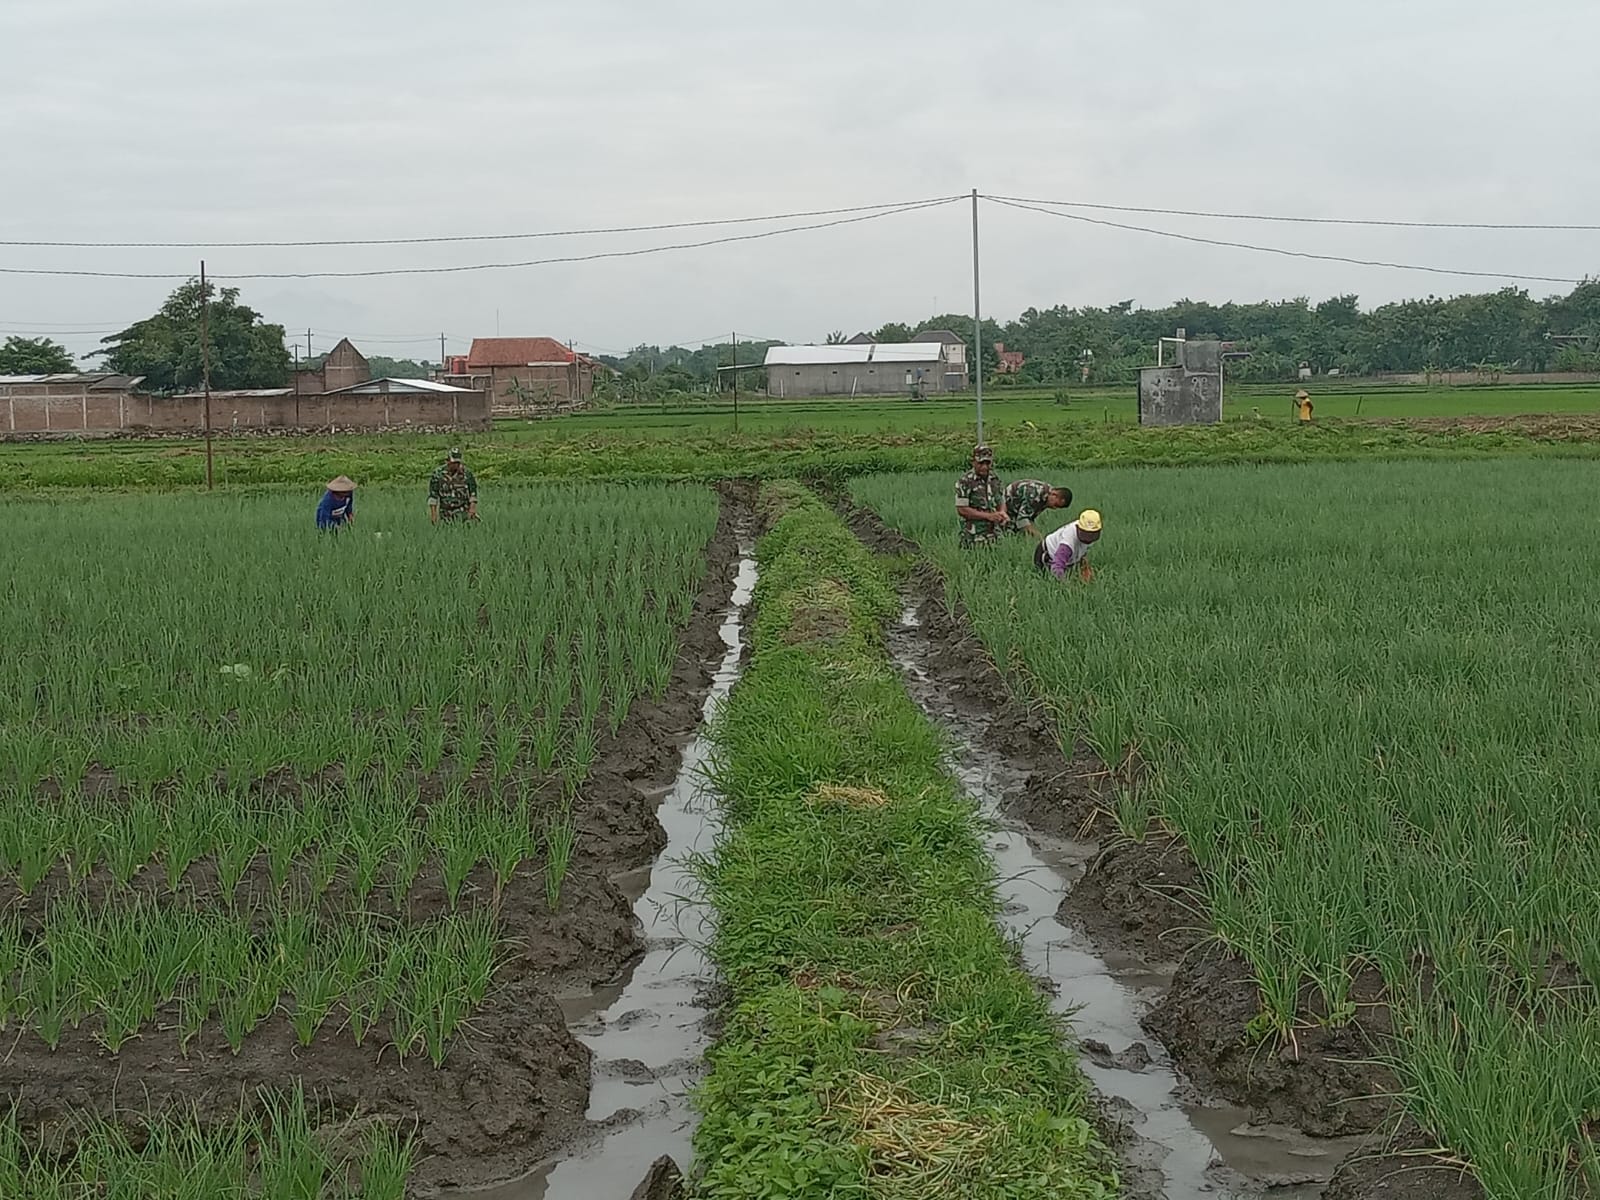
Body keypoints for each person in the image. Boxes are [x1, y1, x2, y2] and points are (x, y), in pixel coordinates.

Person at [955, 444, 1005, 548]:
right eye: (981, 463)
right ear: (973, 462)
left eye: (987, 463)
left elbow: (1000, 500)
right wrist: (989, 516)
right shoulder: (966, 481)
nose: (984, 467)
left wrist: (1002, 513)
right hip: (974, 534)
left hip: (994, 533)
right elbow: (962, 509)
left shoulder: (994, 479)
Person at [1035, 509, 1101, 581]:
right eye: (1087, 534)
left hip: (1067, 560)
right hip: (1047, 556)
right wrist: (1066, 587)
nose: (1089, 538)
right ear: (1079, 528)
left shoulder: (1087, 535)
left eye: (1092, 535)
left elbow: (1081, 550)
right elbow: (1057, 566)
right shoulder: (1068, 541)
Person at [1000, 479, 1072, 542]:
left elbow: (1030, 518)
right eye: (1056, 505)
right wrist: (1041, 539)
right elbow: (1022, 521)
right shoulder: (1035, 494)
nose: (1054, 508)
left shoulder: (1047, 497)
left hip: (1016, 508)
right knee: (1005, 533)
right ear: (1054, 494)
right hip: (1005, 504)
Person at [429, 448, 479, 524]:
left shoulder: (467, 474)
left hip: (463, 512)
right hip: (445, 513)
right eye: (454, 463)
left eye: (458, 463)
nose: (456, 465)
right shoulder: (438, 474)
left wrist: (472, 509)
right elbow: (433, 496)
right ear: (448, 461)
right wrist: (434, 515)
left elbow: (473, 493)